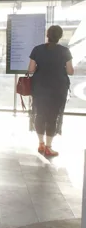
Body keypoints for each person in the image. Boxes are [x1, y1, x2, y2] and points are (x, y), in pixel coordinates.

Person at [28, 25, 74, 157]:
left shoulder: (37, 50)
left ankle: (41, 143)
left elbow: (31, 69)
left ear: (47, 35)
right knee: (53, 117)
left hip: (40, 88)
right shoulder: (65, 51)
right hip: (58, 88)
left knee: (40, 115)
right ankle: (48, 146)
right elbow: (70, 71)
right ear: (60, 36)